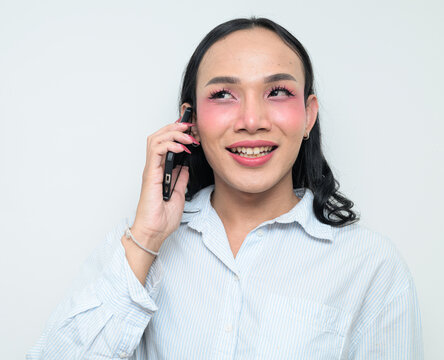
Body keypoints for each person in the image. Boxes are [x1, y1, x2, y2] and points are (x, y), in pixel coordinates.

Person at [27, 17, 423, 359]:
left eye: (279, 92)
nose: (252, 120)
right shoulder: (137, 247)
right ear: (191, 121)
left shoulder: (370, 266)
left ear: (308, 116)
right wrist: (147, 237)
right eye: (222, 95)